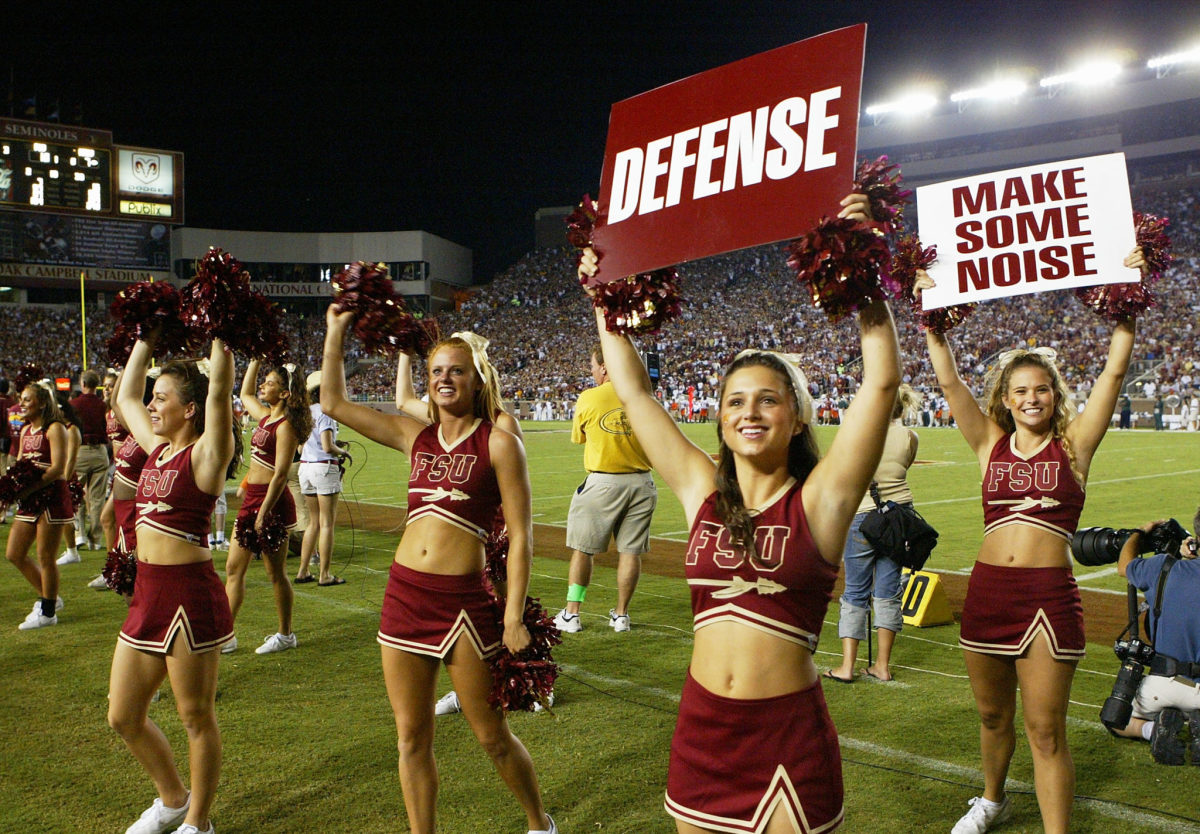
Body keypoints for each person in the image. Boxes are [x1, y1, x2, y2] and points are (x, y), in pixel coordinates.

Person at [579, 191, 901, 834]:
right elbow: (635, 391)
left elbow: (881, 384)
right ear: (721, 420)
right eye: (735, 402)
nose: (750, 412)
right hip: (703, 734)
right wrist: (602, 296)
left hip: (788, 743)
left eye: (768, 400)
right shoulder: (701, 490)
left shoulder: (822, 500)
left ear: (798, 414)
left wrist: (862, 268)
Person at [918, 250, 1140, 834]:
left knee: (1045, 728)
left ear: (1054, 394)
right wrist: (931, 318)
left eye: (1042, 389)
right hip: (990, 590)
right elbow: (948, 380)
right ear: (1007, 399)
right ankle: (993, 800)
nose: (1032, 398)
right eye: (1021, 391)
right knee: (993, 716)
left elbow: (1113, 375)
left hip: (1047, 595)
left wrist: (1127, 309)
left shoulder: (1075, 446)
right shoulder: (988, 444)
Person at [323, 310, 556, 834]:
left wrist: (513, 615)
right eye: (436, 372)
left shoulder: (499, 441)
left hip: (463, 605)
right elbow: (334, 403)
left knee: (491, 736)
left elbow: (521, 535)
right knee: (410, 737)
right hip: (404, 597)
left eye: (457, 371)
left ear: (478, 380)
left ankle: (539, 823)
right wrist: (336, 331)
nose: (445, 379)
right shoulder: (415, 437)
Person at [108, 332, 234, 834]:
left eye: (163, 398)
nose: (152, 405)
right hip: (148, 595)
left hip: (187, 595)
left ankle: (198, 823)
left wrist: (223, 335)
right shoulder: (156, 450)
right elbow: (124, 397)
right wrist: (146, 333)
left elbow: (221, 391)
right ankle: (173, 798)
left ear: (190, 409)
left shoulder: (206, 455)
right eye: (154, 396)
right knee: (123, 715)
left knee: (195, 716)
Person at [552, 346, 656, 634]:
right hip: (642, 482)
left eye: (594, 366)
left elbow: (580, 437)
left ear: (606, 368)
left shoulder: (590, 397)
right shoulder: (643, 395)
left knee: (584, 551)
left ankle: (572, 613)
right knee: (630, 552)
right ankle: (621, 616)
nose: (592, 371)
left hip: (603, 481)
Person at [825, 383, 921, 684]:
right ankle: (882, 665)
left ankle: (848, 666)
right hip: (901, 516)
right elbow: (903, 465)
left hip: (865, 515)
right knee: (888, 591)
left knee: (855, 591)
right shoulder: (909, 436)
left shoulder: (859, 435)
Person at [221, 359, 310, 655]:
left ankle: (286, 634)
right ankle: (226, 635)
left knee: (276, 573)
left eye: (269, 383)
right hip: (253, 500)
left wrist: (262, 512)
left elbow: (281, 474)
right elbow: (246, 393)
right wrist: (256, 360)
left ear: (285, 394)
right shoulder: (265, 417)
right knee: (233, 568)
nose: (263, 386)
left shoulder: (286, 427)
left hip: (271, 503)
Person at [1110, 513, 1200, 764]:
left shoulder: (1162, 567)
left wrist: (1139, 533)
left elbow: (1124, 566)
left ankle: (1151, 731)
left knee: (1117, 718)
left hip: (1164, 688)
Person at [6, 381, 73, 629]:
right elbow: (22, 463)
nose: (21, 404)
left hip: (51, 497)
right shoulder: (25, 431)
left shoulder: (54, 429)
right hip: (30, 498)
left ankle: (47, 612)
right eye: (21, 399)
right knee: (14, 553)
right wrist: (13, 486)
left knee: (46, 556)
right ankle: (51, 598)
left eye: (26, 399)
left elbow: (58, 468)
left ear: (42, 403)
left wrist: (30, 486)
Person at [294, 370, 348, 586]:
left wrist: (336, 445)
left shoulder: (305, 412)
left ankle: (303, 571)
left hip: (305, 468)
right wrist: (343, 452)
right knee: (327, 524)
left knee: (313, 523)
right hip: (323, 468)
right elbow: (327, 446)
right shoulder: (326, 412)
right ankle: (325, 574)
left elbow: (300, 446)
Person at [70, 370, 110, 552]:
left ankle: (80, 536)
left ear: (83, 384)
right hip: (100, 452)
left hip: (80, 450)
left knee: (76, 495)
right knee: (97, 499)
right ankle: (95, 540)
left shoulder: (74, 404)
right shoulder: (103, 405)